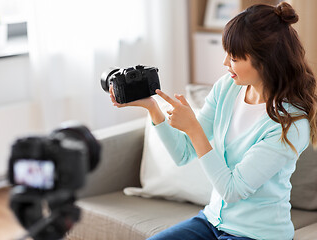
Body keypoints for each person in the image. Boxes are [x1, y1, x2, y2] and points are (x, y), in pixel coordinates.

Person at [109, 2, 317, 240]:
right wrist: (153, 108)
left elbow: (233, 190)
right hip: (211, 222)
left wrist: (194, 129)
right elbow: (183, 153)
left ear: (265, 60)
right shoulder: (227, 87)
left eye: (235, 57)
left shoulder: (290, 123)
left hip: (257, 235)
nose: (226, 63)